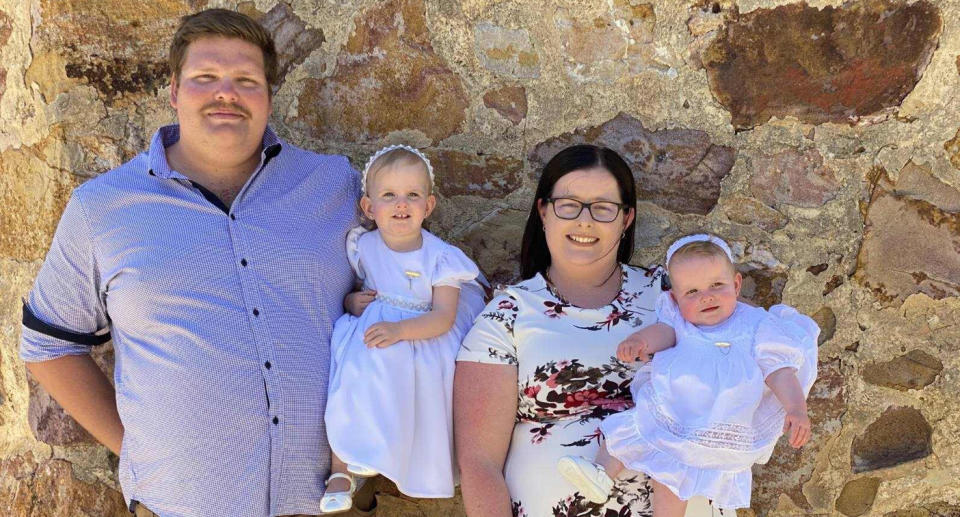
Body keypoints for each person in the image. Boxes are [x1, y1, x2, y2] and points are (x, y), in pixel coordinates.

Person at [18, 9, 364, 517]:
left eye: (246, 80)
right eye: (206, 78)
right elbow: (48, 346)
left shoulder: (336, 187)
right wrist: (136, 449)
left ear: (268, 94)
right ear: (175, 90)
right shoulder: (103, 209)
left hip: (315, 506)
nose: (226, 93)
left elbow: (405, 286)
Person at [454, 144, 665, 517]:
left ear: (626, 218)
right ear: (544, 211)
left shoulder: (670, 296)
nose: (585, 221)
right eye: (569, 204)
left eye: (603, 208)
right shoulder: (508, 315)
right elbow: (479, 464)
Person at [557, 234, 819, 514]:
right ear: (675, 298)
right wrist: (641, 341)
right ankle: (601, 474)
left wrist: (795, 407)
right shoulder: (679, 321)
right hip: (677, 408)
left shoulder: (756, 325)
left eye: (716, 285)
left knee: (677, 466)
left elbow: (778, 369)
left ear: (736, 284)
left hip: (724, 417)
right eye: (691, 292)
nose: (706, 296)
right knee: (643, 434)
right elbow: (664, 333)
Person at [321, 145, 486, 513]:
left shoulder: (441, 257)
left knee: (398, 368)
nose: (401, 204)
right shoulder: (363, 245)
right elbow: (356, 288)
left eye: (413, 195)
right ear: (368, 207)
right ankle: (342, 469)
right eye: (389, 195)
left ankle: (382, 453)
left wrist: (400, 332)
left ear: (428, 206)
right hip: (377, 327)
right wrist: (351, 303)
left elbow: (443, 317)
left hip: (422, 330)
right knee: (350, 367)